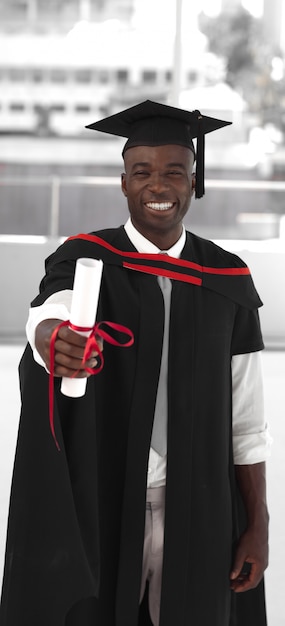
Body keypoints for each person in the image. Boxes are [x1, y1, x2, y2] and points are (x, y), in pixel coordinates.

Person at [0, 100, 271, 626]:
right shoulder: (84, 258)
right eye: (141, 171)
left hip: (200, 503)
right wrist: (54, 338)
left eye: (175, 171)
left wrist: (256, 521)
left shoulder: (228, 278)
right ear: (123, 182)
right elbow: (47, 312)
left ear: (195, 181)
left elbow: (248, 419)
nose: (158, 185)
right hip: (104, 496)